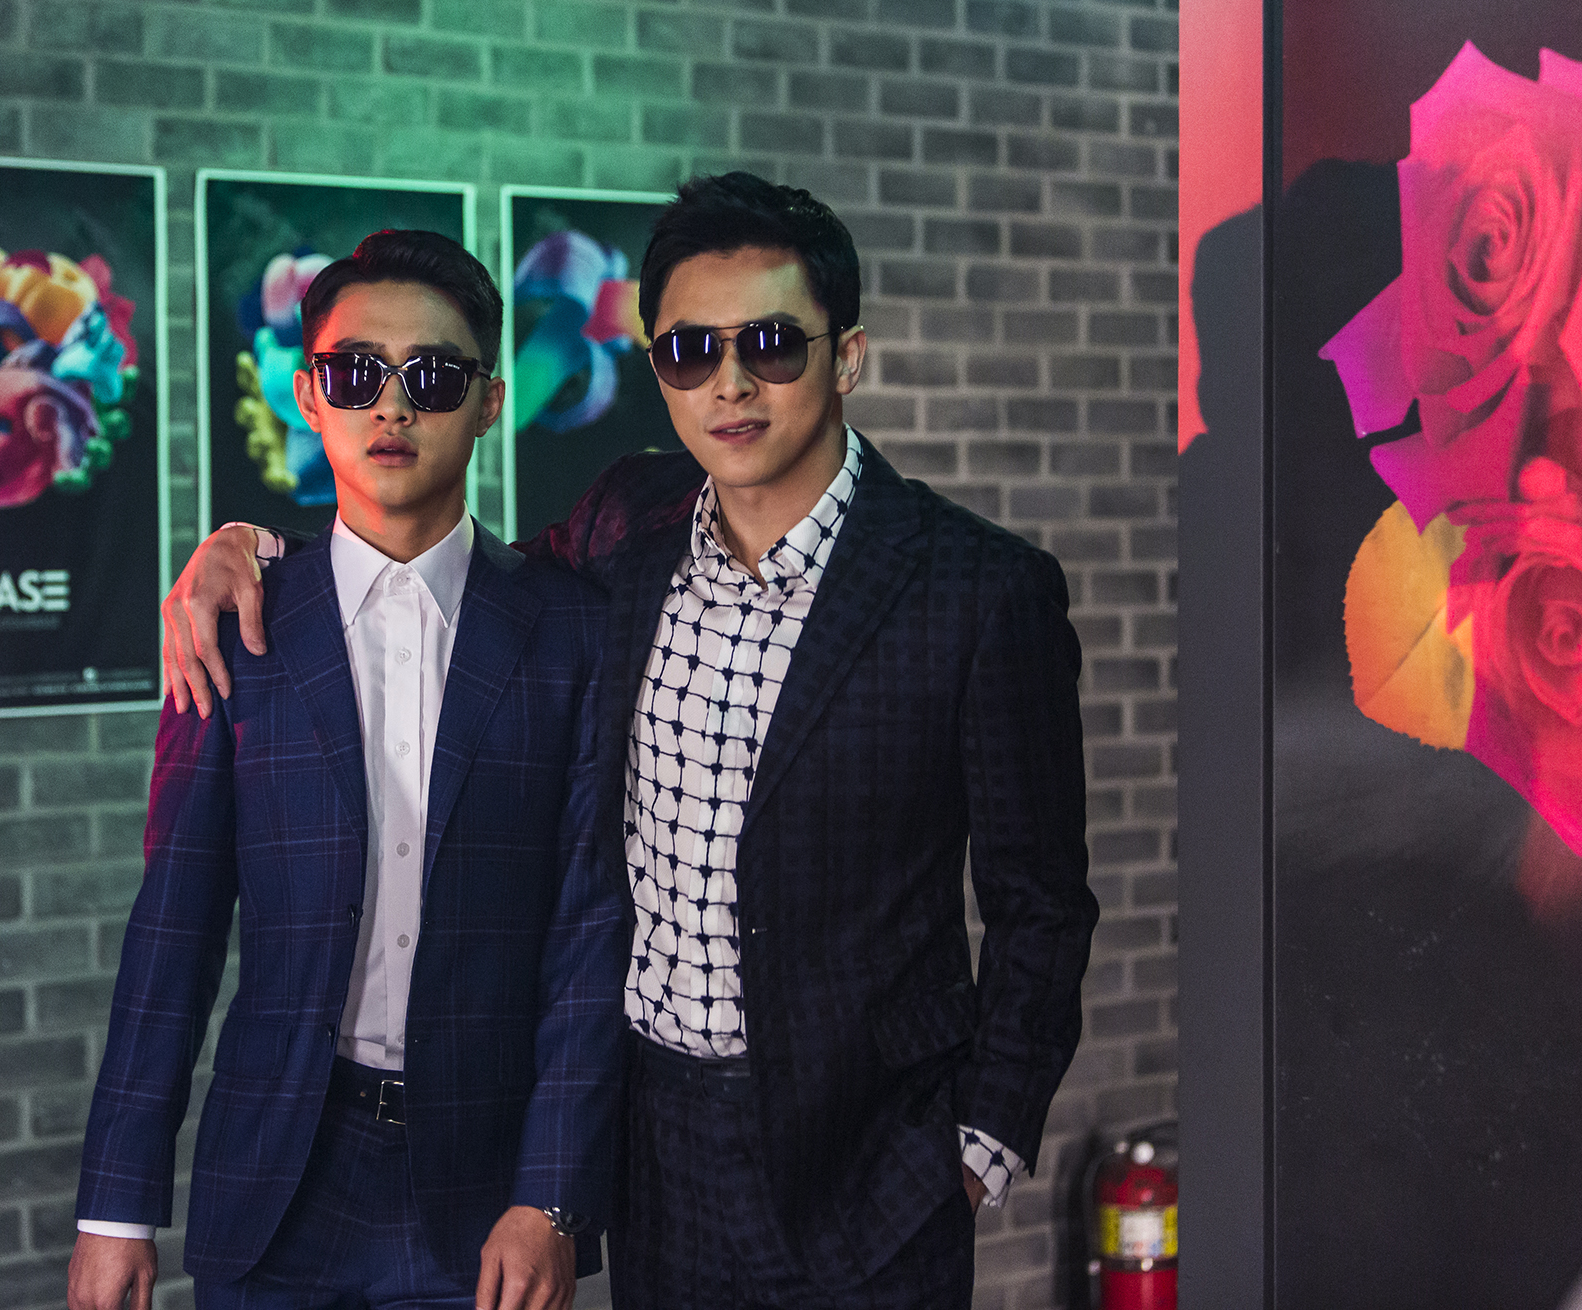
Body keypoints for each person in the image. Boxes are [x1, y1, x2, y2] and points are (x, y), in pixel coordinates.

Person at [158, 173, 1098, 1308]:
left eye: (769, 344)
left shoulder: (979, 590)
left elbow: (1042, 903)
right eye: (689, 351)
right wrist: (252, 548)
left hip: (870, 1159)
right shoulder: (625, 525)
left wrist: (977, 1142)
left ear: (846, 355)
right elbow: (442, 580)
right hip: (653, 1155)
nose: (730, 384)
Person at [70, 230, 627, 1310]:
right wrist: (115, 1206)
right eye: (355, 372)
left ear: (489, 402)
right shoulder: (236, 624)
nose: (393, 405)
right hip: (277, 1175)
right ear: (308, 394)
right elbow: (174, 926)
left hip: (481, 1193)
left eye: (433, 376)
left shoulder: (571, 632)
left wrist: (553, 1197)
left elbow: (589, 938)